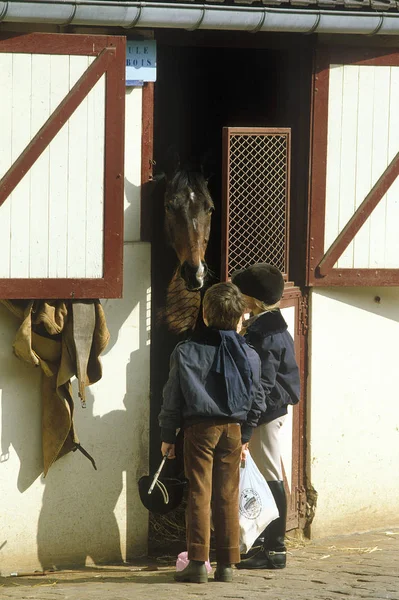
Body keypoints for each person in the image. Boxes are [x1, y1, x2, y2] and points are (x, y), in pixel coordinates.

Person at [159, 282, 266, 584]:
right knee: (227, 495)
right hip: (233, 430)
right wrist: (245, 434)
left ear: (204, 314)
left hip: (199, 429)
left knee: (199, 493)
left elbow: (172, 398)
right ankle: (228, 565)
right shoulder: (250, 355)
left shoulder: (186, 351)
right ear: (239, 318)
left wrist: (168, 435)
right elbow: (257, 399)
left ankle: (197, 562)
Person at [232, 263, 300, 570]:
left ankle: (275, 549)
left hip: (266, 412)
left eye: (242, 295)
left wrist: (248, 419)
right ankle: (265, 542)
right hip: (270, 410)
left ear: (254, 300)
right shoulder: (269, 326)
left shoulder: (264, 333)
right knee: (268, 473)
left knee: (271, 475)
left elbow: (263, 383)